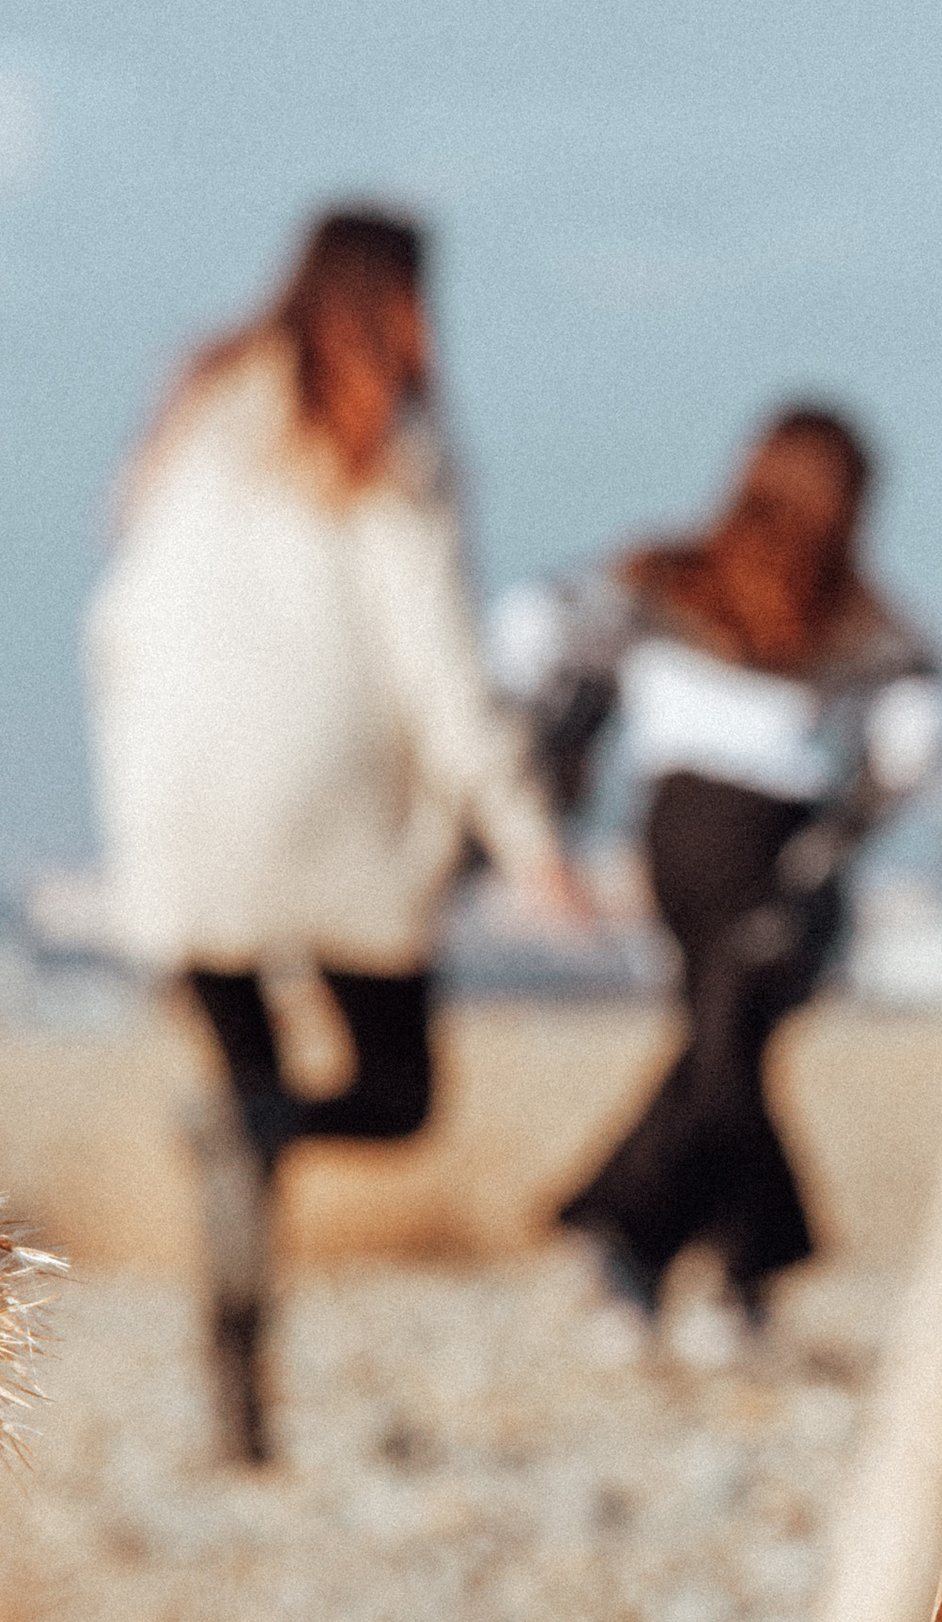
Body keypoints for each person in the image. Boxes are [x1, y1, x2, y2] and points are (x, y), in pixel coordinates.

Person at [86, 207, 575, 1463]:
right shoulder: (382, 436)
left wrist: (141, 814)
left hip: (176, 814)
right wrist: (529, 840)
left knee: (242, 1102)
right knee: (397, 1093)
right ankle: (260, 1140)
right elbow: (437, 667)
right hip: (329, 820)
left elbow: (119, 619)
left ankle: (236, 1400)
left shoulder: (197, 414)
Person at [491, 405, 942, 1355]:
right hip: (779, 860)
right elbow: (916, 740)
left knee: (718, 1047)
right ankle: (705, 1263)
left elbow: (529, 628)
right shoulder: (859, 618)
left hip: (675, 847)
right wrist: (840, 838)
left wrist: (548, 766)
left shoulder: (662, 578)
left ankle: (646, 1263)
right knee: (725, 1052)